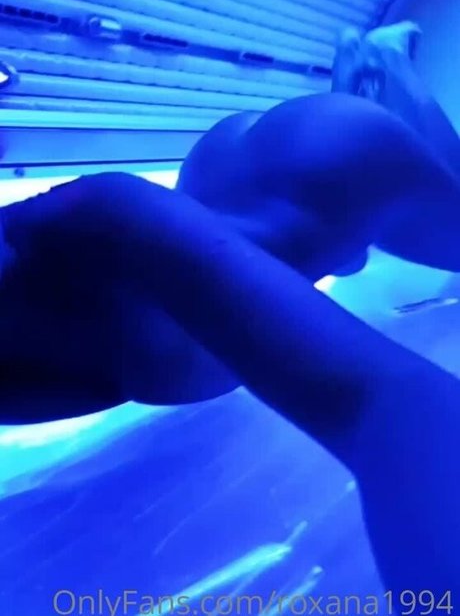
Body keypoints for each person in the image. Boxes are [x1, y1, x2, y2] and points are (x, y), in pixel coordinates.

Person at [1, 21, 460, 423]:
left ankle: (392, 58)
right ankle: (360, 63)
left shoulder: (88, 362)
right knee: (347, 232)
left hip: (317, 157)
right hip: (220, 164)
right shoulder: (75, 342)